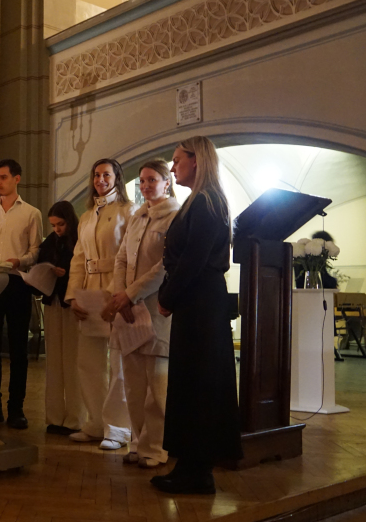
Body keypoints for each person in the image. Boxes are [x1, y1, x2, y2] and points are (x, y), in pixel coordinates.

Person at [152, 136, 242, 494]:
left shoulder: (205, 201)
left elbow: (192, 259)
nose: (173, 167)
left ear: (197, 160)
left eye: (177, 160)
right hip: (198, 299)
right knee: (192, 382)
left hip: (199, 300)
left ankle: (197, 470)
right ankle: (191, 466)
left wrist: (168, 296)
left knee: (199, 382)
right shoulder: (202, 200)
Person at [102, 159, 180, 465]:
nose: (146, 186)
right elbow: (122, 258)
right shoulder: (138, 217)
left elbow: (164, 267)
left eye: (152, 180)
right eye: (142, 181)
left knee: (157, 388)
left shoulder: (175, 217)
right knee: (133, 386)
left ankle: (156, 448)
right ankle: (137, 443)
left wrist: (131, 294)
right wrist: (119, 294)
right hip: (128, 310)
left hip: (156, 309)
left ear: (166, 183)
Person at [64, 158, 137, 448]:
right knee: (89, 362)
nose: (100, 180)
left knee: (118, 364)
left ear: (117, 177)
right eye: (96, 175)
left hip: (116, 292)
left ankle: (118, 429)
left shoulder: (128, 211)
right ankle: (95, 423)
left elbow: (131, 256)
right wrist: (73, 295)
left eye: (106, 174)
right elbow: (78, 258)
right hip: (89, 293)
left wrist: (120, 293)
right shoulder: (86, 216)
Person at [0, 159, 43, 429]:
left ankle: (16, 408)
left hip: (17, 283)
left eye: (3, 177)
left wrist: (20, 261)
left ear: (17, 178)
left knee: (18, 349)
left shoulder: (31, 213)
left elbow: (36, 250)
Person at [38, 200, 81, 436]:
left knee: (73, 360)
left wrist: (65, 273)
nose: (57, 229)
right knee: (54, 360)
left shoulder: (79, 240)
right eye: (53, 225)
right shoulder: (50, 242)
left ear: (70, 221)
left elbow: (83, 269)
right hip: (53, 301)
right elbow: (40, 264)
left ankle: (76, 418)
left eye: (61, 224)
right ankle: (54, 417)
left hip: (72, 302)